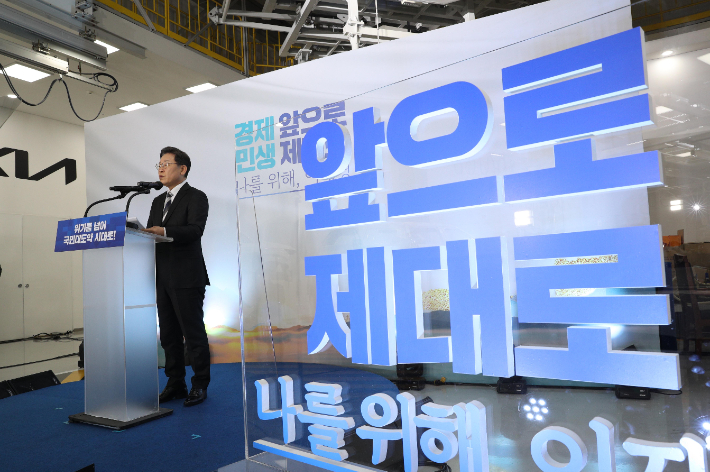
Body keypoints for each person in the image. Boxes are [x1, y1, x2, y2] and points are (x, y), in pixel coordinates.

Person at [143, 146, 211, 407]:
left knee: (192, 334)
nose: (160, 169)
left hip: (187, 276)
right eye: (159, 165)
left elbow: (195, 230)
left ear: (182, 169)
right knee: (168, 335)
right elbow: (151, 233)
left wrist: (164, 230)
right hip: (162, 276)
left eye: (166, 164)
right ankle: (175, 383)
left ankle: (200, 384)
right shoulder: (157, 201)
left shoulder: (196, 197)